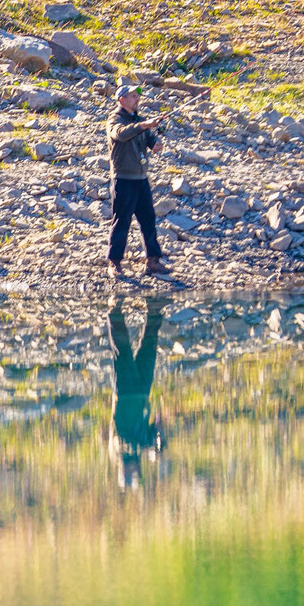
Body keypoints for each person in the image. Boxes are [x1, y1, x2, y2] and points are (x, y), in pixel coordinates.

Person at [106, 79, 166, 278]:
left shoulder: (139, 120)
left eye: (137, 95)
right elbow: (120, 135)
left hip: (141, 178)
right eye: (133, 95)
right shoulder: (115, 119)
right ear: (122, 99)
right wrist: (143, 125)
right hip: (123, 178)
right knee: (121, 222)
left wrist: (155, 143)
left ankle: (153, 260)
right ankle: (114, 262)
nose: (137, 98)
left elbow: (150, 140)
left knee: (148, 220)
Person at [108, 301, 165, 487]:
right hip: (141, 393)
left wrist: (151, 447)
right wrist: (156, 446)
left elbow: (124, 437)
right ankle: (155, 311)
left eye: (130, 473)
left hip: (125, 393)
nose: (133, 470)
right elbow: (158, 427)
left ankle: (115, 311)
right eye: (134, 472)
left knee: (122, 350)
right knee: (149, 347)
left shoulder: (118, 449)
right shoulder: (140, 445)